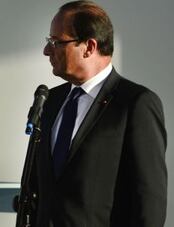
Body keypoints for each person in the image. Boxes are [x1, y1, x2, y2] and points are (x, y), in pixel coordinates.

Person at [29, 1, 167, 227]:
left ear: (89, 47)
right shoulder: (49, 101)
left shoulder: (135, 103)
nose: (47, 51)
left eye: (56, 42)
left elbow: (149, 200)